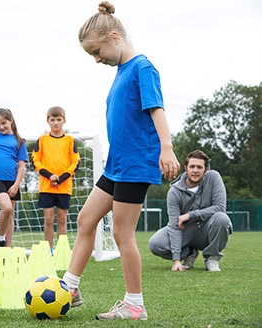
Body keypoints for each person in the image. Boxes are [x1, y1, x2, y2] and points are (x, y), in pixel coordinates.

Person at [61, 1, 180, 321]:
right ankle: (69, 287)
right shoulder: (121, 71)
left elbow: (157, 109)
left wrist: (166, 148)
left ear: (114, 36)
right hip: (117, 165)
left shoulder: (142, 67)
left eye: (97, 52)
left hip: (135, 164)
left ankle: (134, 305)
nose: (97, 59)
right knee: (86, 220)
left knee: (121, 235)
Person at [148, 150, 232, 272]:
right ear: (186, 168)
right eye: (192, 166)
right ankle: (189, 253)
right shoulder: (174, 192)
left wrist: (190, 215)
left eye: (199, 167)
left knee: (222, 218)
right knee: (155, 244)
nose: (195, 170)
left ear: (205, 170)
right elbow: (174, 225)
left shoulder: (214, 178)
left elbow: (220, 207)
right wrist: (176, 260)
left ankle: (212, 258)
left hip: (207, 229)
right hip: (185, 231)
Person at [32, 106, 80, 253]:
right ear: (48, 121)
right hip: (46, 186)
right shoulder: (42, 140)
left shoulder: (70, 140)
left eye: (59, 120)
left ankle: (62, 250)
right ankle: (49, 249)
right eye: (52, 120)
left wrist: (61, 178)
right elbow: (36, 160)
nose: (56, 123)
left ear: (64, 121)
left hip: (64, 186)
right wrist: (49, 175)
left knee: (62, 219)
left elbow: (75, 162)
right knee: (48, 218)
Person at [0, 108, 28, 257]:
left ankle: (6, 251)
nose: (1, 127)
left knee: (10, 215)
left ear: (11, 121)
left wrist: (16, 185)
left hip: (12, 181)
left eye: (4, 123)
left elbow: (22, 166)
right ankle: (0, 240)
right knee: (7, 208)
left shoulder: (19, 141)